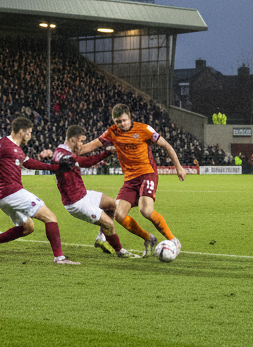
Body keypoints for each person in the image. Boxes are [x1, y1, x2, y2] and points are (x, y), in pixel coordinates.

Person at [77, 103, 185, 257]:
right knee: (119, 214)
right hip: (130, 180)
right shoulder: (112, 132)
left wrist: (178, 167)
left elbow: (166, 145)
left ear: (130, 117)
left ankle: (173, 240)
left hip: (147, 173)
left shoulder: (144, 129)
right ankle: (148, 238)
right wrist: (75, 149)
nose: (121, 124)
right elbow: (92, 145)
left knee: (145, 210)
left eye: (124, 120)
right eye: (118, 122)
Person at [39, 124, 154, 259]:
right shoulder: (66, 157)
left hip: (84, 194)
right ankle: (120, 251)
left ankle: (101, 238)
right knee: (109, 224)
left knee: (113, 205)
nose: (82, 145)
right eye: (81, 141)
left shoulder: (60, 150)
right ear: (74, 139)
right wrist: (107, 153)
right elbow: (87, 162)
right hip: (77, 203)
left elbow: (57, 159)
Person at [0, 116, 77, 264]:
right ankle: (59, 257)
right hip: (12, 192)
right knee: (50, 217)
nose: (30, 135)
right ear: (22, 131)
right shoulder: (3, 143)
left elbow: (30, 163)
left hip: (4, 198)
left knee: (27, 227)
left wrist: (56, 168)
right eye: (29, 132)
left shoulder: (18, 150)